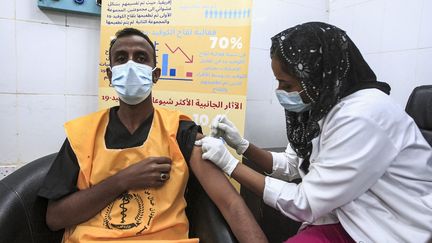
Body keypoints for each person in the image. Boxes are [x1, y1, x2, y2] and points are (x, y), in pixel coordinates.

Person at [196, 22, 432, 243]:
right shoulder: (323, 105)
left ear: (317, 78)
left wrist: (229, 164)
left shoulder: (363, 116)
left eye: (286, 85)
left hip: (394, 225)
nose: (279, 92)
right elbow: (291, 165)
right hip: (353, 214)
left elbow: (304, 202)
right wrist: (241, 145)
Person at [37, 27, 267, 243]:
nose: (130, 65)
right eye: (120, 58)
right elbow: (55, 218)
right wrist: (123, 180)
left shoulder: (180, 131)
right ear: (109, 74)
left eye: (140, 58)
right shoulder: (82, 134)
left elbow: (231, 204)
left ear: (155, 74)